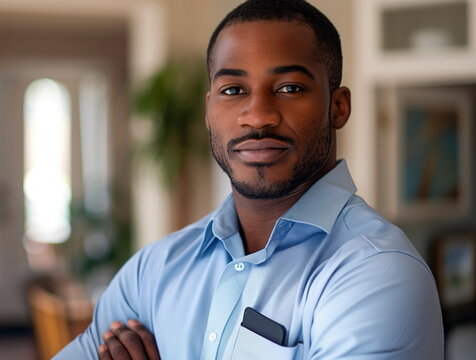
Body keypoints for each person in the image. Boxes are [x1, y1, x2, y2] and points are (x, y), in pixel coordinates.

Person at [54, 0, 444, 359]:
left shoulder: (377, 273)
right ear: (209, 110)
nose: (257, 116)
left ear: (338, 106)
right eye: (233, 90)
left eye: (289, 88)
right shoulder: (154, 270)